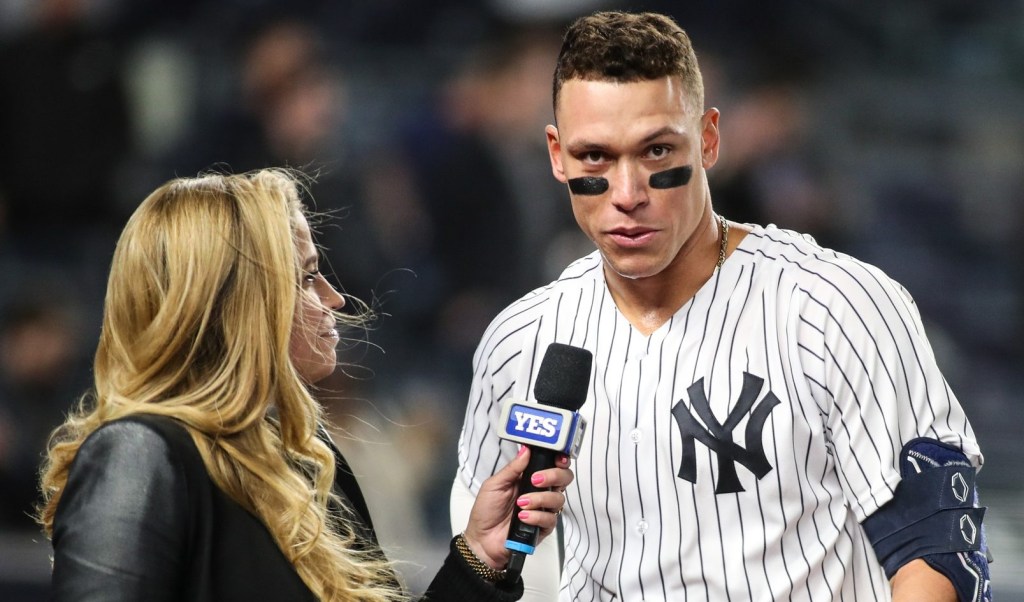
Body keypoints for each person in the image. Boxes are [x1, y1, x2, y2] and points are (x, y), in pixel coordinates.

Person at [451, 11, 991, 602]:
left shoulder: (835, 308)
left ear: (708, 139)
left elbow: (940, 558)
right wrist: (485, 569)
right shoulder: (520, 340)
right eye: (595, 157)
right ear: (558, 155)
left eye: (657, 151)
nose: (627, 194)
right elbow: (487, 556)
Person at [35, 168, 573, 601]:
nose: (333, 299)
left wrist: (479, 556)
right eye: (307, 276)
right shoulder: (139, 453)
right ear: (238, 303)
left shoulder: (308, 461)